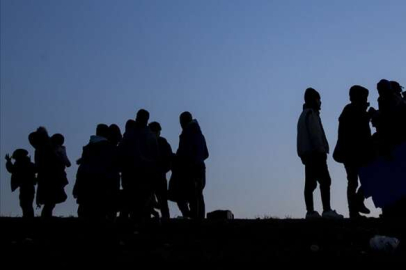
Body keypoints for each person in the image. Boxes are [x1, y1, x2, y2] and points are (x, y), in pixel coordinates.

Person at [297, 88, 343, 220]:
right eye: (318, 99)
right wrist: (321, 150)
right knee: (325, 181)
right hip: (315, 153)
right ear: (313, 100)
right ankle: (326, 210)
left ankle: (310, 211)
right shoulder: (311, 115)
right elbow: (315, 135)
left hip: (308, 154)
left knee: (310, 183)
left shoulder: (304, 115)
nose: (320, 102)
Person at [333, 85, 373, 218]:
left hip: (353, 153)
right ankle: (355, 206)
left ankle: (355, 206)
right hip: (353, 153)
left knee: (357, 181)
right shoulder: (352, 110)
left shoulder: (352, 110)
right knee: (358, 180)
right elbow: (358, 130)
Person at [169, 111, 209, 220]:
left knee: (187, 195)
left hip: (191, 169)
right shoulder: (200, 135)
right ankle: (199, 219)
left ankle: (192, 218)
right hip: (201, 168)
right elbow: (206, 154)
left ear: (183, 122)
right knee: (198, 195)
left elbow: (184, 153)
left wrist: (177, 159)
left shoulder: (186, 134)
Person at [73, 124, 117, 219]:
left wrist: (77, 185)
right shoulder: (109, 148)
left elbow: (82, 168)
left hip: (86, 184)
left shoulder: (88, 148)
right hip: (101, 185)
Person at [148, 121, 173, 220]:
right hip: (159, 177)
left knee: (150, 202)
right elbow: (170, 160)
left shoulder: (147, 142)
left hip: (151, 177)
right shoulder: (162, 142)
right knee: (162, 203)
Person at [5, 149, 37, 218]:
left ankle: (27, 217)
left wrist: (8, 161)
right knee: (28, 203)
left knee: (24, 203)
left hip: (24, 187)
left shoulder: (19, 164)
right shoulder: (30, 164)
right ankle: (29, 217)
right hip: (30, 187)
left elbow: (11, 169)